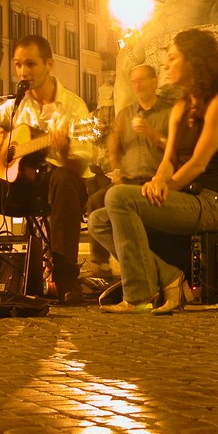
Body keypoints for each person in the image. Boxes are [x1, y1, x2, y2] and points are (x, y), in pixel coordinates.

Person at [88, 28, 218, 314]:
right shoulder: (181, 108)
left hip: (208, 202)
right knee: (99, 220)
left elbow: (198, 162)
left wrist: (165, 186)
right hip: (182, 195)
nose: (166, 65)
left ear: (193, 61)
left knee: (118, 197)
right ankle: (169, 276)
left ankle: (138, 296)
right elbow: (169, 157)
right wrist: (158, 179)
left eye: (172, 58)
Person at [0, 35, 93, 305]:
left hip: (56, 190)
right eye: (18, 65)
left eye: (30, 64)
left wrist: (62, 148)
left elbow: (82, 165)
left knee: (65, 178)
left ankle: (65, 278)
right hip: (19, 189)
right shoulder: (15, 106)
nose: (23, 72)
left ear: (49, 64)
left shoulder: (74, 108)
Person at [85, 64, 171, 279]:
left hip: (155, 182)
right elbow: (115, 148)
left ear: (155, 82)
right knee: (96, 202)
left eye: (142, 79)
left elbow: (177, 150)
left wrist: (153, 134)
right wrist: (117, 172)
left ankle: (142, 265)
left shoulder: (169, 113)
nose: (137, 85)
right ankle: (102, 265)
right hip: (128, 182)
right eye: (133, 81)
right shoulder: (125, 115)